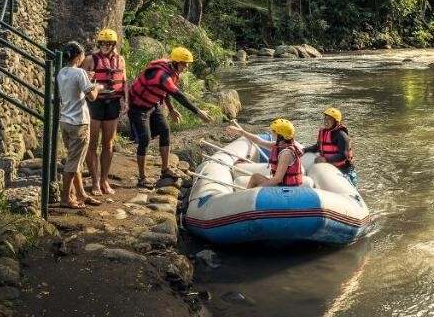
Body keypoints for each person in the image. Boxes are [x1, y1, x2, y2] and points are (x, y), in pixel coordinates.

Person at [127, 47, 213, 188]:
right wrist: (198, 112)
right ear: (175, 62)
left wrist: (171, 109)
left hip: (153, 104)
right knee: (145, 139)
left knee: (165, 131)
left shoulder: (171, 71)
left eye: (187, 64)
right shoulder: (162, 75)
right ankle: (142, 179)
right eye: (183, 64)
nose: (186, 67)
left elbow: (164, 92)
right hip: (138, 107)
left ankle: (165, 169)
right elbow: (178, 95)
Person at [56, 41, 102, 209]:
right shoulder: (80, 73)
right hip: (79, 123)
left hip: (65, 121)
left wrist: (86, 80)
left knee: (75, 160)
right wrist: (97, 87)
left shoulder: (62, 72)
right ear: (79, 56)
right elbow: (92, 97)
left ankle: (81, 194)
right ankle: (66, 198)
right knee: (73, 163)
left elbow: (73, 86)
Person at [84, 28, 127, 196]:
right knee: (92, 143)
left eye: (108, 43)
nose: (105, 46)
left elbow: (124, 81)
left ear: (114, 44)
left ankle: (104, 180)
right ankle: (95, 181)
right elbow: (81, 81)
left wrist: (126, 101)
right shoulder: (90, 59)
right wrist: (88, 78)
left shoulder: (120, 59)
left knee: (108, 144)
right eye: (102, 43)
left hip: (113, 103)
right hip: (95, 104)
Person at [227, 119, 305, 189]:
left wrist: (258, 188)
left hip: (286, 188)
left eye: (274, 131)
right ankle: (248, 196)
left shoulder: (286, 154)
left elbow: (277, 179)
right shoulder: (280, 146)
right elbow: (258, 141)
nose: (272, 133)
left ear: (280, 135)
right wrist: (241, 132)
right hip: (282, 184)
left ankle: (248, 196)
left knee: (256, 182)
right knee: (255, 177)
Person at [304, 107, 357, 187]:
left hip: (344, 170)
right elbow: (318, 147)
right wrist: (304, 150)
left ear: (336, 122)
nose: (326, 121)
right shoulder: (324, 132)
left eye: (329, 119)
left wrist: (326, 159)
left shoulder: (341, 135)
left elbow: (343, 155)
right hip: (330, 167)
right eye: (325, 118)